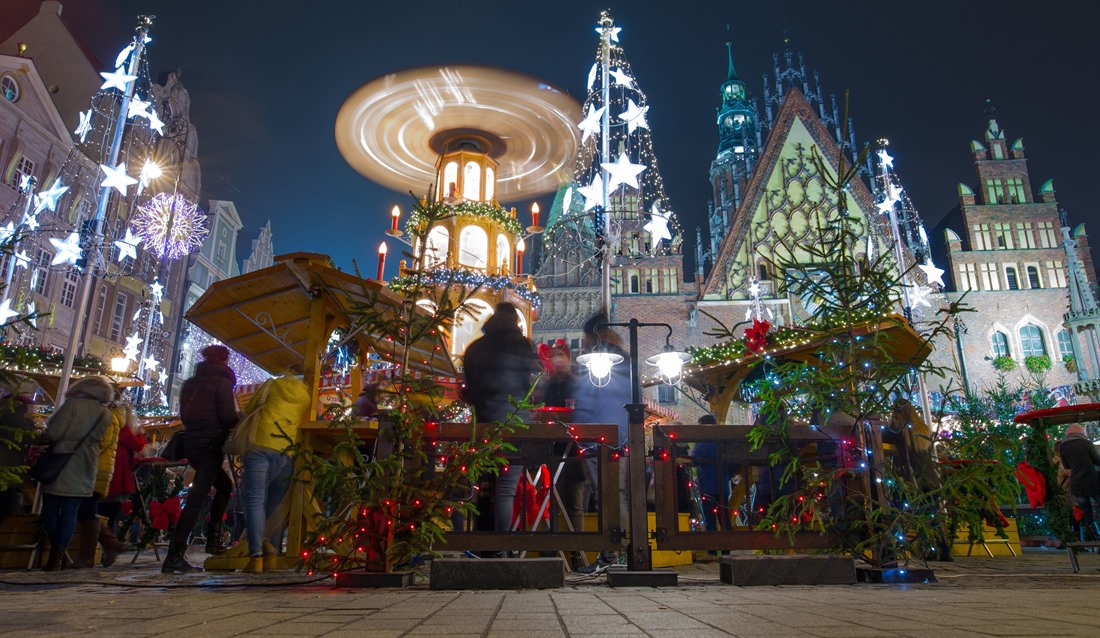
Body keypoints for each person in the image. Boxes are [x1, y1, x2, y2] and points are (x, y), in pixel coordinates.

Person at [461, 302, 541, 541]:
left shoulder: (475, 347)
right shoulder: (521, 345)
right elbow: (535, 381)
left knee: (483, 488)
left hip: (482, 424)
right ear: (515, 321)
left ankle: (481, 544)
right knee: (505, 489)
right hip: (513, 424)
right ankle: (499, 547)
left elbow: (468, 387)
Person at [162, 345, 240, 574]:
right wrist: (240, 419)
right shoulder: (222, 382)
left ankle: (213, 542)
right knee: (196, 500)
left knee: (224, 486)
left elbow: (184, 415)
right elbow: (227, 416)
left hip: (193, 443)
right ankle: (174, 556)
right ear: (224, 360)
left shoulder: (191, 383)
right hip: (211, 444)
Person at [571, 313, 631, 570]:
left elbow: (585, 399)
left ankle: (611, 556)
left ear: (592, 337)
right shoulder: (626, 361)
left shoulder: (596, 361)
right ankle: (622, 554)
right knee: (617, 496)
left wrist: (579, 434)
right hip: (622, 437)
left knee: (607, 496)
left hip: (598, 438)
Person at [38, 376, 114, 571]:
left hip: (62, 461)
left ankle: (57, 555)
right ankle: (59, 555)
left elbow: (54, 432)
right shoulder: (104, 412)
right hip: (87, 462)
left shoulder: (73, 404)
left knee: (50, 509)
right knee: (71, 511)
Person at [240, 364, 310, 573]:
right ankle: (274, 552)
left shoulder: (273, 384)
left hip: (260, 445)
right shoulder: (306, 396)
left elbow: (251, 408)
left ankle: (257, 556)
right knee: (276, 504)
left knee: (254, 501)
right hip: (286, 450)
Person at [72, 390, 127, 568]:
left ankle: (91, 554)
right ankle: (110, 544)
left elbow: (101, 442)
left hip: (96, 469)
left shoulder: (108, 418)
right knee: (85, 509)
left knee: (85, 510)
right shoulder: (109, 416)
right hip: (94, 468)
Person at [98, 405, 146, 544]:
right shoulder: (122, 427)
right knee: (110, 514)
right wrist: (141, 435)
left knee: (106, 513)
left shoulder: (110, 423)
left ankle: (105, 548)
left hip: (111, 475)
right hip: (116, 478)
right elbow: (136, 445)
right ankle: (109, 546)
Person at [0, 380, 38, 522]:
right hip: (7, 468)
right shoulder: (16, 411)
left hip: (7, 467)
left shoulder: (5, 408)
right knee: (5, 505)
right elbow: (28, 435)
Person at [1058, 424, 1100, 539]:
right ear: (1081, 432)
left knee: (1087, 512)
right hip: (1093, 482)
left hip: (1077, 484)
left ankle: (1093, 537)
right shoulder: (1086, 444)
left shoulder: (1062, 447)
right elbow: (1097, 460)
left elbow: (1066, 466)